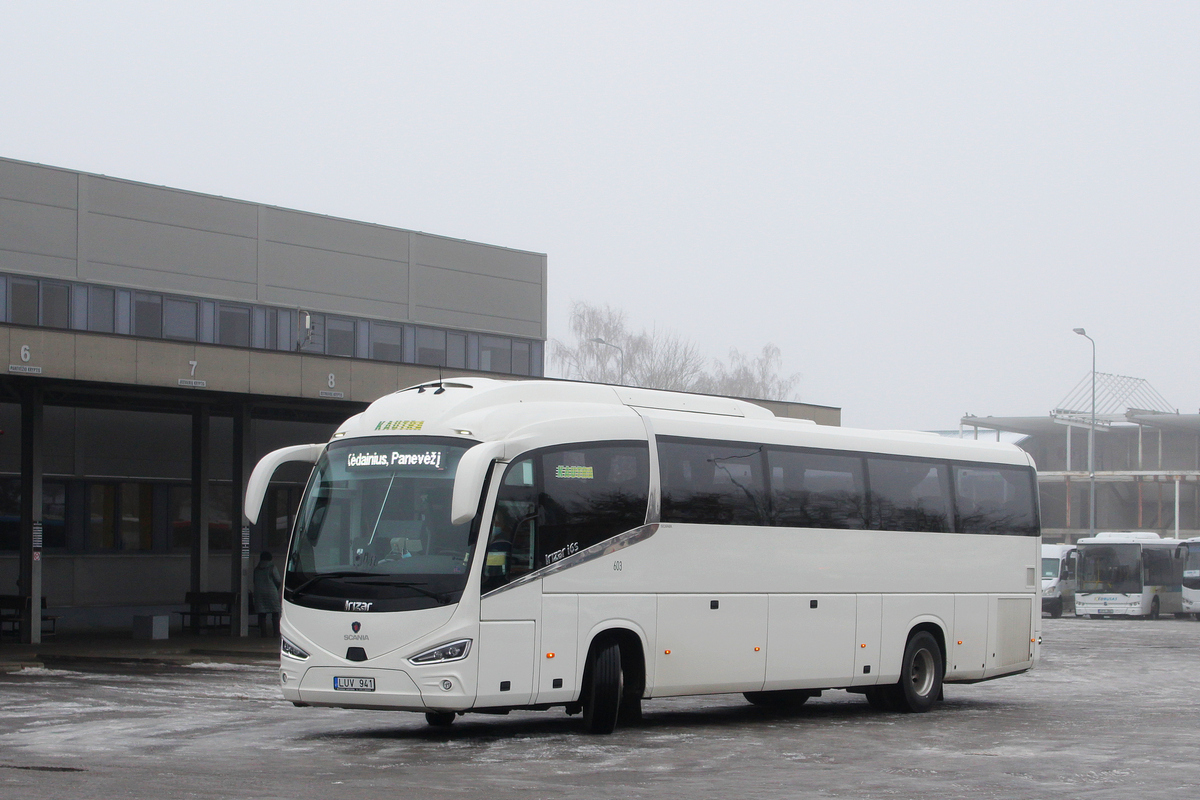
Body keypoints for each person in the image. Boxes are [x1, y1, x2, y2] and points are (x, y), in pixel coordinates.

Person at [252, 551, 282, 638]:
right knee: (275, 613)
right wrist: (276, 588)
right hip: (272, 592)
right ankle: (276, 633)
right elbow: (278, 580)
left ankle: (263, 633)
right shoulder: (272, 567)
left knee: (262, 614)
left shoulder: (256, 569)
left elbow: (254, 581)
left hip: (259, 593)